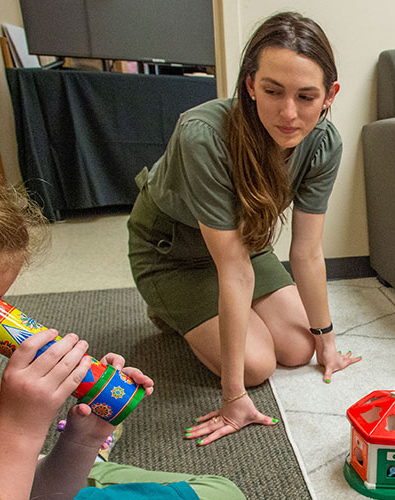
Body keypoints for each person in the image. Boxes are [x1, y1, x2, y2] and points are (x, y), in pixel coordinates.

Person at [0, 143, 244, 499]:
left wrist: (81, 441)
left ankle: (95, 463)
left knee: (222, 493)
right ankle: (99, 471)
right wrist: (19, 431)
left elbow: (37, 493)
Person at [126, 12, 359, 446]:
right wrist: (232, 395)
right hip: (174, 255)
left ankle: (217, 319)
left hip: (244, 245)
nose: (289, 114)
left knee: (297, 348)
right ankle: (171, 310)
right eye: (273, 91)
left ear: (330, 95)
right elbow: (232, 272)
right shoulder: (202, 134)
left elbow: (307, 251)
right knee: (257, 366)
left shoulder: (324, 142)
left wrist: (327, 341)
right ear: (250, 84)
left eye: (307, 97)